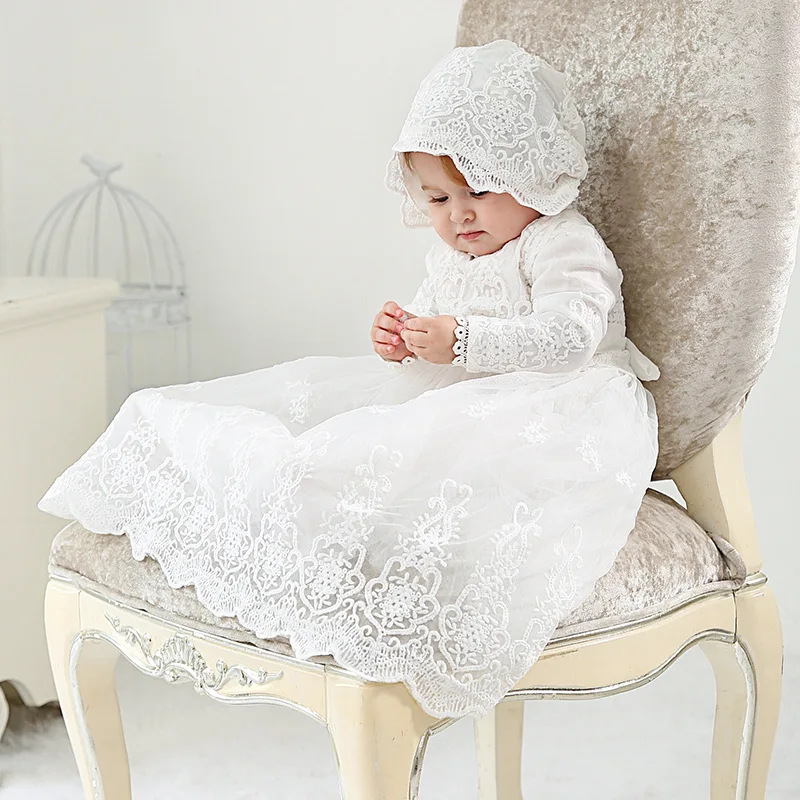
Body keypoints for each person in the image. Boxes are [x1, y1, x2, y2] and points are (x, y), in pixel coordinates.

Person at [39, 39, 660, 719]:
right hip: (465, 390)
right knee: (343, 437)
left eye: (479, 191)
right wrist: (406, 341)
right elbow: (435, 330)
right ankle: (295, 525)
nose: (458, 215)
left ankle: (369, 549)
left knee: (428, 463)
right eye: (438, 198)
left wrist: (461, 339)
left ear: (532, 174)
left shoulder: (560, 240)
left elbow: (570, 335)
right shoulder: (450, 254)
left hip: (560, 403)